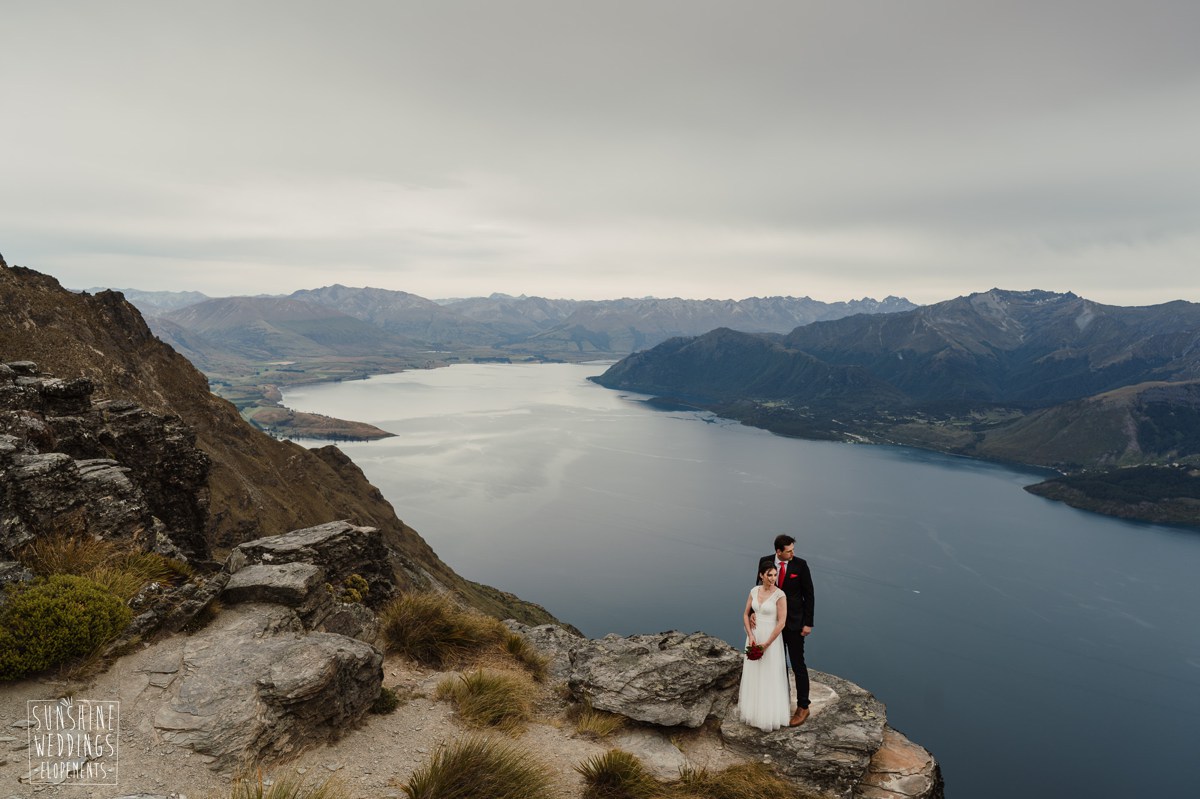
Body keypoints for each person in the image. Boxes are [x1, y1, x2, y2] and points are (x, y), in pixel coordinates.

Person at [755, 534, 815, 726]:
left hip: (794, 624)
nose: (792, 553)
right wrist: (752, 612)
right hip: (769, 624)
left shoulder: (800, 565)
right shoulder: (764, 562)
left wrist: (808, 623)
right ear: (778, 551)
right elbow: (758, 589)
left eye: (793, 550)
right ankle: (778, 704)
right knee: (776, 664)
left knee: (798, 665)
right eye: (789, 550)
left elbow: (809, 595)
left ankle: (803, 706)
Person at [737, 561, 790, 731]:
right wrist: (750, 635)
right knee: (754, 673)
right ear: (761, 575)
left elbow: (781, 623)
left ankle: (768, 716)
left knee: (769, 674)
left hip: (770, 639)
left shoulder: (780, 595)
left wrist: (766, 644)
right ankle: (753, 713)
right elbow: (746, 614)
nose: (773, 578)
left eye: (775, 575)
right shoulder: (754, 590)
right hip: (754, 636)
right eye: (769, 575)